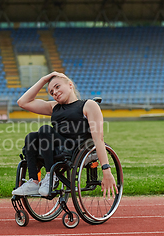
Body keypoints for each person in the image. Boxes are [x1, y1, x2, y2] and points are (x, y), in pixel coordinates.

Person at [12, 71, 118, 199]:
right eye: (51, 92)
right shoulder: (54, 106)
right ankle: (34, 181)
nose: (55, 93)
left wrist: (106, 170)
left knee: (45, 130)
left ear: (70, 85)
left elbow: (98, 139)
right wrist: (44, 80)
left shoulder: (88, 105)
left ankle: (51, 176)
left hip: (74, 147)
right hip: (55, 146)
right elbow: (22, 102)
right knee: (31, 137)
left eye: (57, 87)